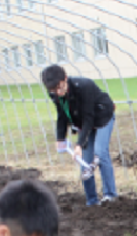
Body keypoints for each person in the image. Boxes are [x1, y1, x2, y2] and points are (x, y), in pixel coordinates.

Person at [41, 64, 117, 206]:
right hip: (84, 122)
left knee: (100, 153)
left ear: (65, 78)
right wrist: (60, 138)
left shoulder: (84, 86)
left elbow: (89, 117)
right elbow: (62, 115)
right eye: (54, 90)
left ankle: (110, 196)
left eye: (60, 87)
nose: (58, 92)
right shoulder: (54, 93)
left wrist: (79, 144)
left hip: (102, 116)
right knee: (85, 162)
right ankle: (92, 202)